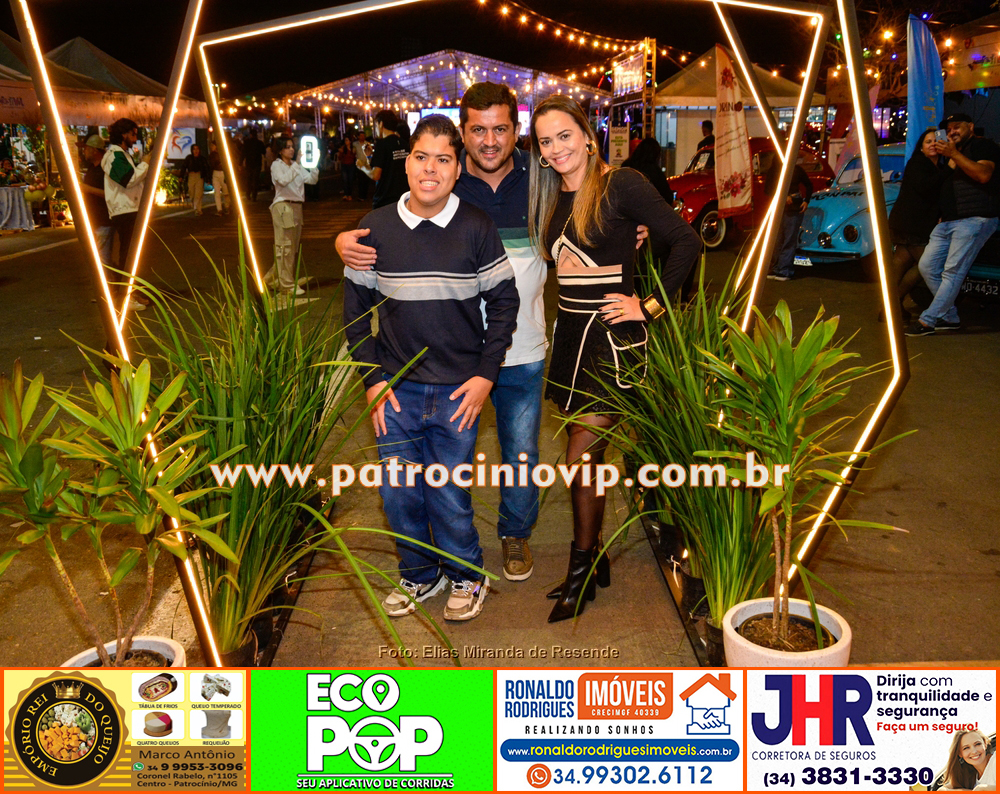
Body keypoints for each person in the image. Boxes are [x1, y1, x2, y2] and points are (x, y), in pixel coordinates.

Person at [337, 82, 650, 582]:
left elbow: (593, 198)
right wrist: (343, 240)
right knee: (448, 463)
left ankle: (515, 534)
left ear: (516, 130)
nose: (489, 140)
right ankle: (448, 554)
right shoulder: (446, 176)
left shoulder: (543, 176)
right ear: (462, 133)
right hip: (454, 359)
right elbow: (396, 224)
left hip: (523, 346)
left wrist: (630, 226)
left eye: (500, 129)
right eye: (478, 130)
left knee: (521, 455)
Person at [528, 95, 700, 622]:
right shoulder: (553, 194)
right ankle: (595, 555)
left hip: (610, 339)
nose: (556, 148)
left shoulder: (621, 183)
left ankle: (581, 570)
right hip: (570, 334)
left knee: (580, 457)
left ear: (587, 135)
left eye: (564, 135)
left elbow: (687, 241)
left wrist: (648, 307)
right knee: (588, 458)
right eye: (545, 141)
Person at [342, 114, 519, 622]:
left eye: (444, 159)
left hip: (458, 393)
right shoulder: (374, 228)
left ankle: (466, 574)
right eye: (422, 157)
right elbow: (354, 314)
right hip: (395, 392)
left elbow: (504, 303)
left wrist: (486, 375)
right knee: (398, 495)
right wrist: (373, 381)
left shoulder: (476, 227)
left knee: (447, 493)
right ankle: (420, 574)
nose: (430, 169)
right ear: (408, 162)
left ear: (458, 169)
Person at [907, 112, 1000, 336]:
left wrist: (954, 154)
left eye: (957, 127)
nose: (952, 132)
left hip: (975, 219)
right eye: (948, 130)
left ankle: (928, 320)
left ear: (971, 126)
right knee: (927, 266)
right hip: (948, 221)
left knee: (952, 271)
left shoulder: (983, 146)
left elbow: (983, 175)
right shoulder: (948, 156)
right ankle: (949, 316)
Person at [886, 128, 946, 320]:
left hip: (908, 222)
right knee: (926, 265)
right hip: (913, 223)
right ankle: (894, 303)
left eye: (936, 141)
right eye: (928, 141)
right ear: (921, 147)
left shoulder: (937, 166)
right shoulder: (918, 163)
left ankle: (888, 309)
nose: (933, 144)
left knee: (901, 262)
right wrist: (950, 169)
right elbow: (926, 187)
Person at [102, 117, 150, 311]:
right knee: (128, 255)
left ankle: (130, 292)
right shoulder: (114, 155)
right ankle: (125, 297)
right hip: (125, 210)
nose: (135, 138)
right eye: (133, 134)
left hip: (129, 209)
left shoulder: (120, 155)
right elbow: (128, 180)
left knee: (131, 254)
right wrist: (145, 164)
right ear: (123, 134)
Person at [266, 136, 318, 296]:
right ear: (280, 150)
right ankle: (287, 285)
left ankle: (271, 279)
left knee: (291, 248)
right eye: (287, 147)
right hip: (283, 206)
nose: (291, 149)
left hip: (296, 206)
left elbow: (312, 180)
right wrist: (297, 163)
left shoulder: (296, 165)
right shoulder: (277, 165)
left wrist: (314, 164)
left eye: (292, 146)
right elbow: (283, 180)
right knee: (285, 247)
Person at [764, 153, 813, 281]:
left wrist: (806, 201)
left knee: (781, 240)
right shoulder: (788, 170)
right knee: (783, 240)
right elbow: (768, 189)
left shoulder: (790, 170)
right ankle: (782, 269)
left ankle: (780, 269)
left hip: (788, 209)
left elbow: (768, 190)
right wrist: (803, 200)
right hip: (786, 209)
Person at [362, 109, 408, 208]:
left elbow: (376, 175)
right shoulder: (404, 144)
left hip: (385, 199)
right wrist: (369, 157)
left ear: (381, 124)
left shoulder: (382, 144)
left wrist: (362, 167)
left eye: (375, 125)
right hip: (404, 198)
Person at [622, 137, 674, 204]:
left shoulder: (626, 166)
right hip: (647, 207)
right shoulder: (655, 172)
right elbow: (667, 197)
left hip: (625, 205)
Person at [180, 143, 210, 216]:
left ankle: (197, 209)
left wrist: (208, 178)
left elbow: (206, 168)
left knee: (198, 193)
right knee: (191, 192)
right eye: (194, 149)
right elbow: (184, 167)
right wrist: (181, 176)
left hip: (199, 176)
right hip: (191, 175)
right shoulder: (189, 158)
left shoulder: (202, 159)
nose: (196, 151)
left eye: (197, 149)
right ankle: (195, 206)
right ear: (192, 150)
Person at [241, 128, 267, 201]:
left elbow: (243, 153)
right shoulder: (259, 143)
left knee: (248, 180)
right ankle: (254, 196)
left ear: (250, 135)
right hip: (257, 163)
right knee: (255, 180)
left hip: (249, 163)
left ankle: (248, 194)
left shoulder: (247, 143)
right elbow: (264, 152)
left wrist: (240, 163)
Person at [208, 141, 230, 216]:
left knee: (225, 192)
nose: (211, 147)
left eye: (213, 145)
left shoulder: (222, 153)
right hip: (216, 172)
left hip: (222, 172)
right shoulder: (212, 154)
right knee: (217, 192)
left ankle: (226, 206)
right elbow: (211, 165)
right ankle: (219, 209)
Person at [353, 130, 372, 201]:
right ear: (358, 137)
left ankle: (365, 195)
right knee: (360, 180)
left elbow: (371, 152)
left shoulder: (367, 144)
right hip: (360, 164)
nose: (362, 137)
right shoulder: (355, 144)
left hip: (367, 164)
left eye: (363, 136)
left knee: (366, 180)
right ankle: (361, 195)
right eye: (361, 136)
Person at [338, 134, 357, 201]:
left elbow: (353, 157)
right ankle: (346, 194)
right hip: (344, 165)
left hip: (351, 165)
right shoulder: (343, 148)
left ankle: (349, 194)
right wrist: (340, 153)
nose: (346, 142)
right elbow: (340, 158)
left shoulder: (353, 148)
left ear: (350, 141)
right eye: (345, 140)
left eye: (347, 140)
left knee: (350, 180)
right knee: (345, 180)